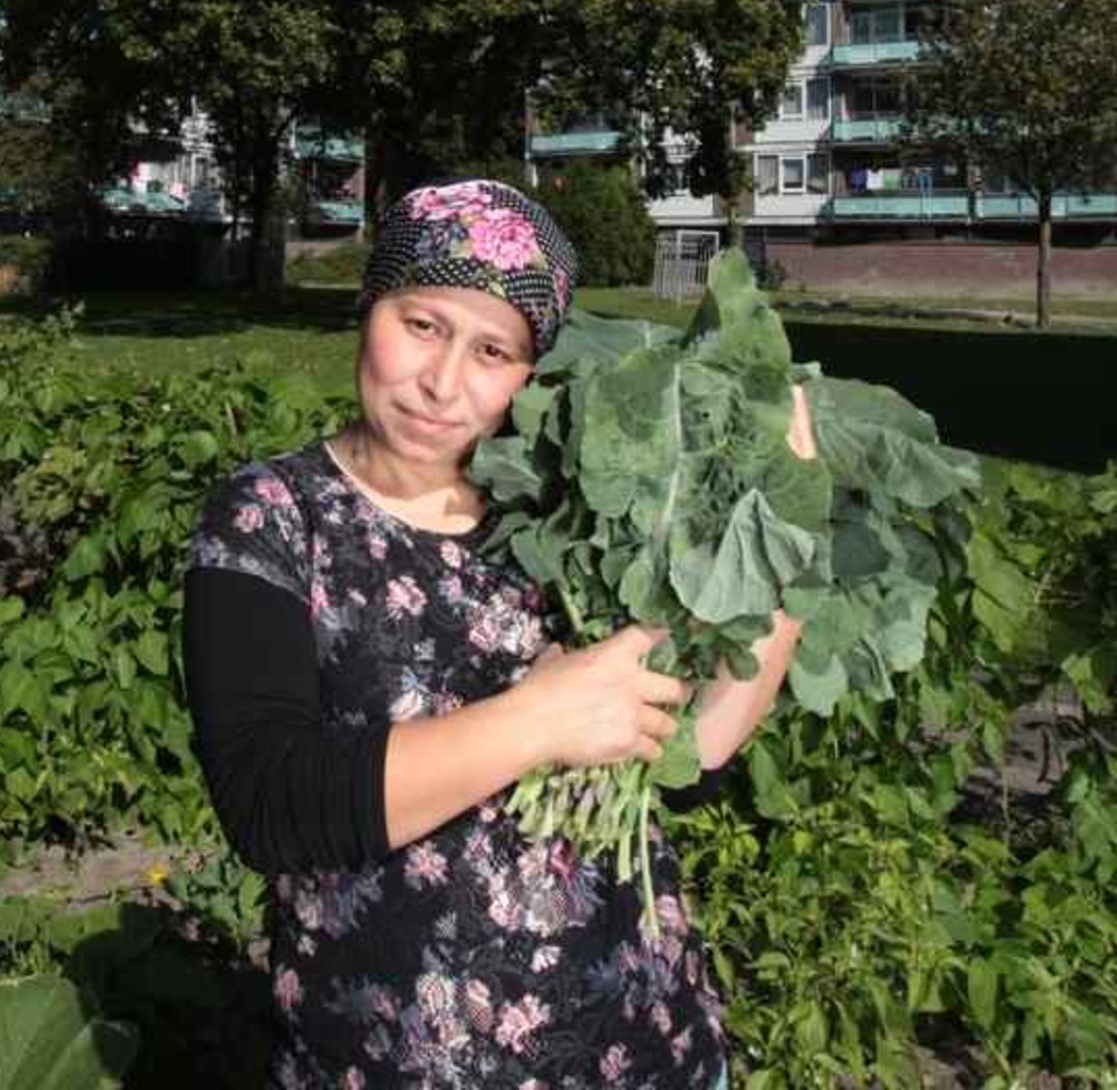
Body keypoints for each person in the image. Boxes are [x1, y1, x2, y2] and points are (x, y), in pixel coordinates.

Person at [183, 179, 812, 1088]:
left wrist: (781, 543)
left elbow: (689, 755)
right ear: (371, 308)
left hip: (643, 1045)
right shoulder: (274, 517)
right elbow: (270, 803)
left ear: (530, 372)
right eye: (422, 323)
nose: (442, 382)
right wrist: (537, 719)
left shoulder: (563, 509)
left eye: (492, 350)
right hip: (390, 1059)